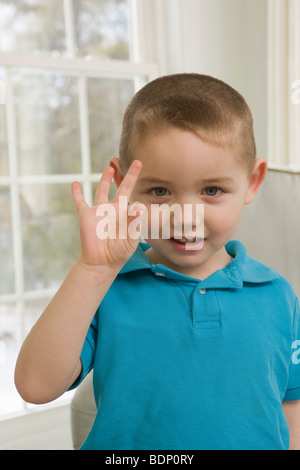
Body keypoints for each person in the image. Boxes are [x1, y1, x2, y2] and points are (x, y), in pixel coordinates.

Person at [15, 74, 300, 450]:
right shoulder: (105, 289)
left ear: (251, 181)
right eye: (160, 191)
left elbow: (291, 408)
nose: (184, 217)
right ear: (123, 184)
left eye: (211, 190)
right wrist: (93, 271)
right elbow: (35, 386)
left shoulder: (278, 296)